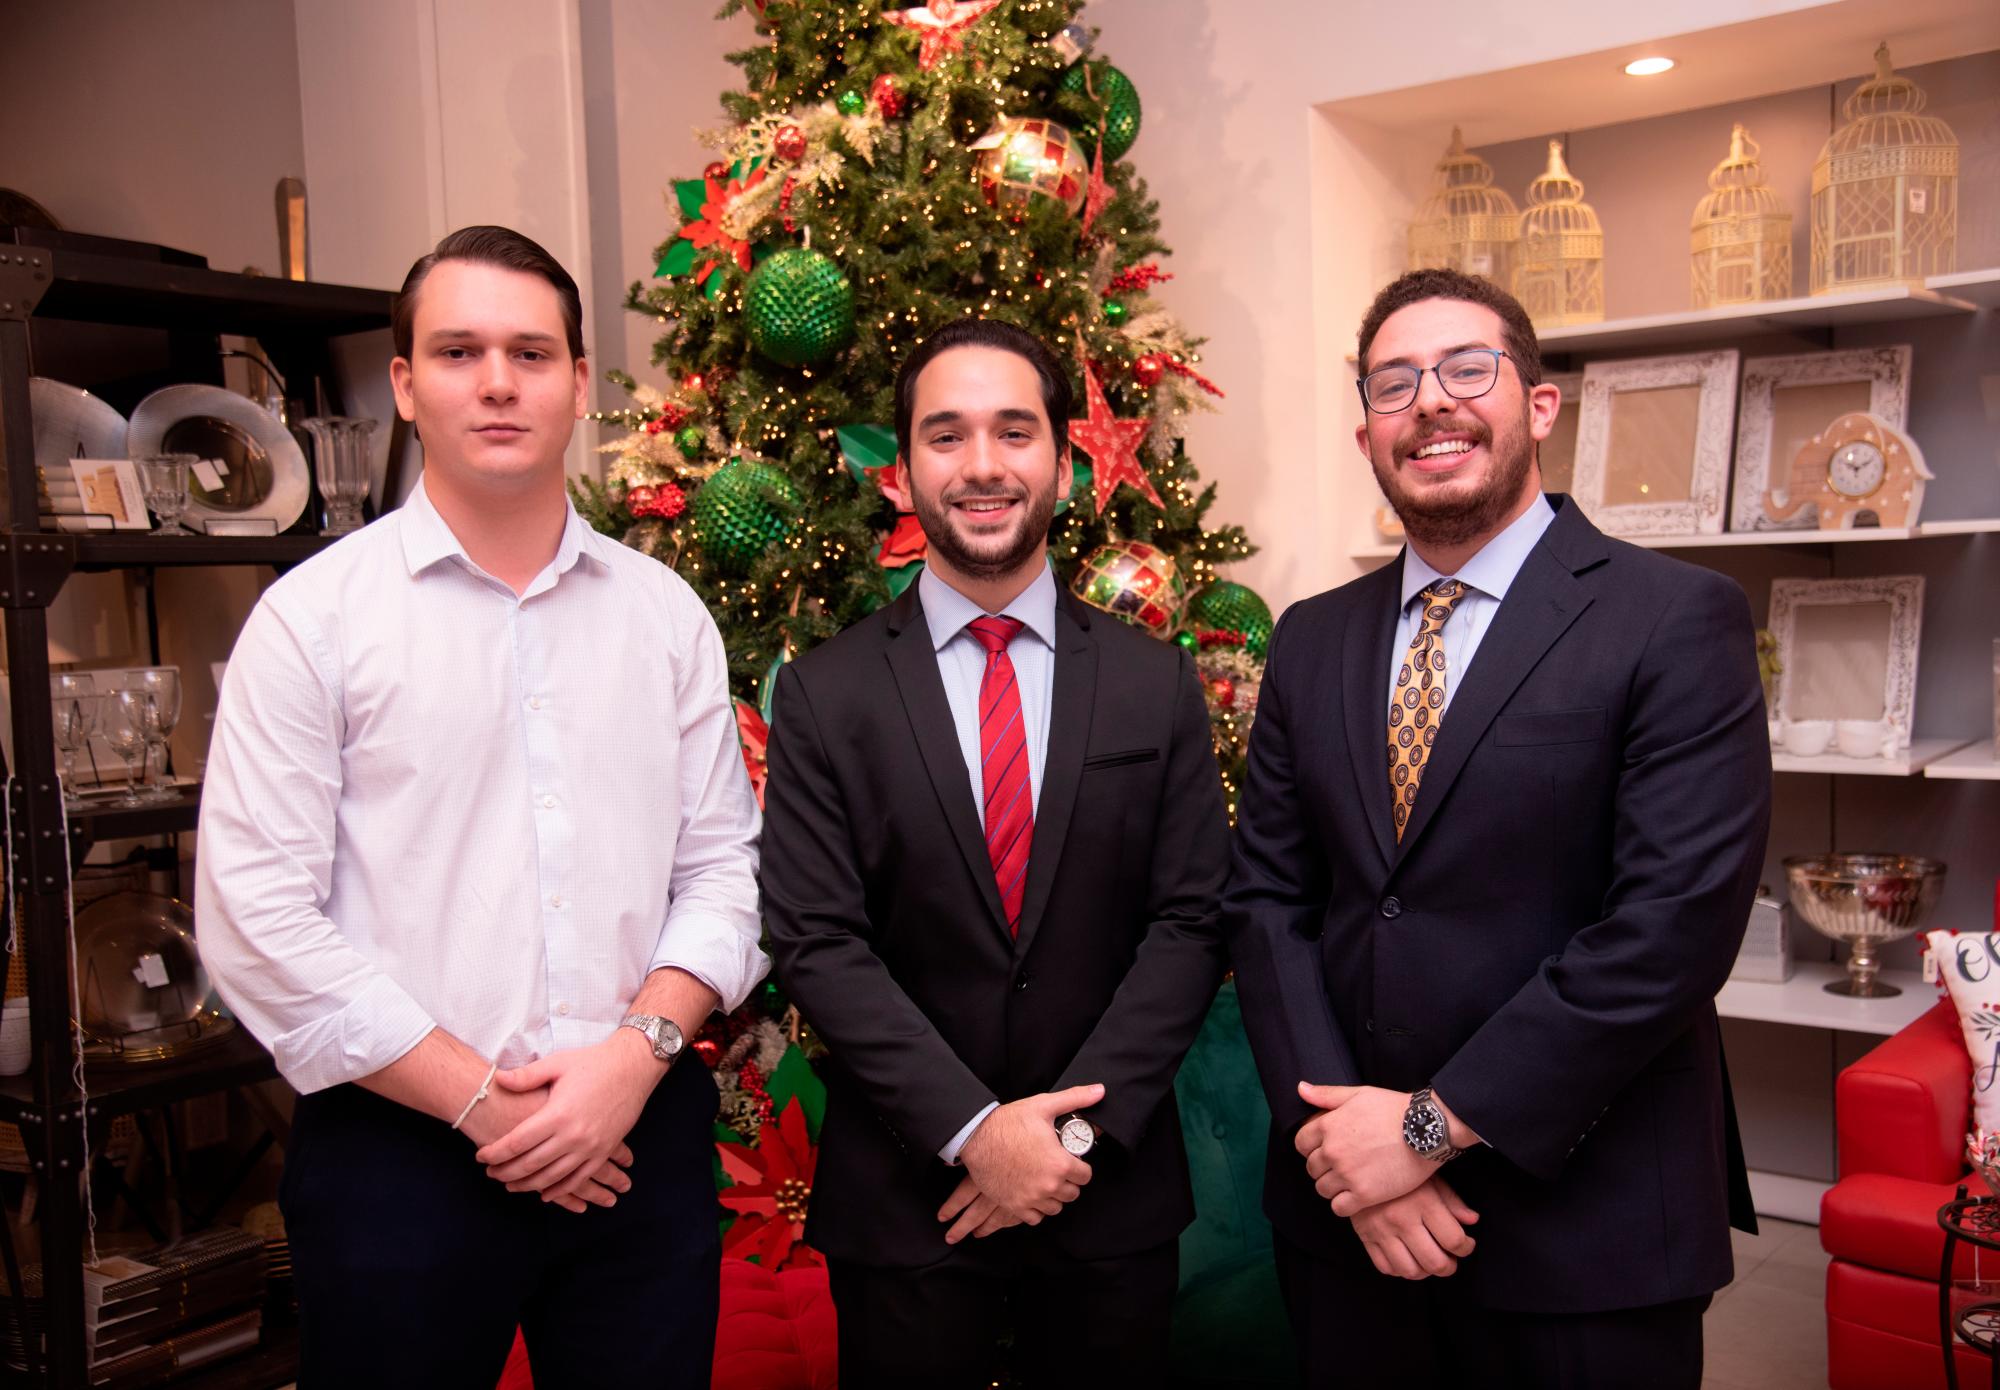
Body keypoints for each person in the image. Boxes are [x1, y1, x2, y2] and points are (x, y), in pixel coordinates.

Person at [197, 225, 765, 1388]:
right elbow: (259, 917)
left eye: (530, 352)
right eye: (459, 352)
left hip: (634, 1132)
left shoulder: (664, 618)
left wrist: (631, 1057)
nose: (498, 381)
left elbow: (722, 872)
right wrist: (481, 1104)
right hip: (396, 1153)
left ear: (578, 383)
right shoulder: (315, 622)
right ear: (405, 384)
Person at [1225, 267, 1770, 1389]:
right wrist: (1347, 1153)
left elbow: (1667, 931)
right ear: (1367, 433)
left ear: (1536, 404)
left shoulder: (1673, 618)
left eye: (1465, 368)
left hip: (1587, 1224)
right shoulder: (1310, 638)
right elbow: (1268, 905)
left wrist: (1422, 1132)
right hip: (1348, 1227)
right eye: (1392, 383)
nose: (1428, 402)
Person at [760, 318, 1230, 1387]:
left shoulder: (1152, 681)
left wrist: (1061, 1145)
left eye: (1013, 433)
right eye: (946, 434)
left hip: (1107, 1201)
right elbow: (814, 938)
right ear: (902, 471)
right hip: (905, 1209)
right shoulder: (826, 694)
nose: (981, 465)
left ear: (1063, 463)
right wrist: (974, 1131)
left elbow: (1192, 919)